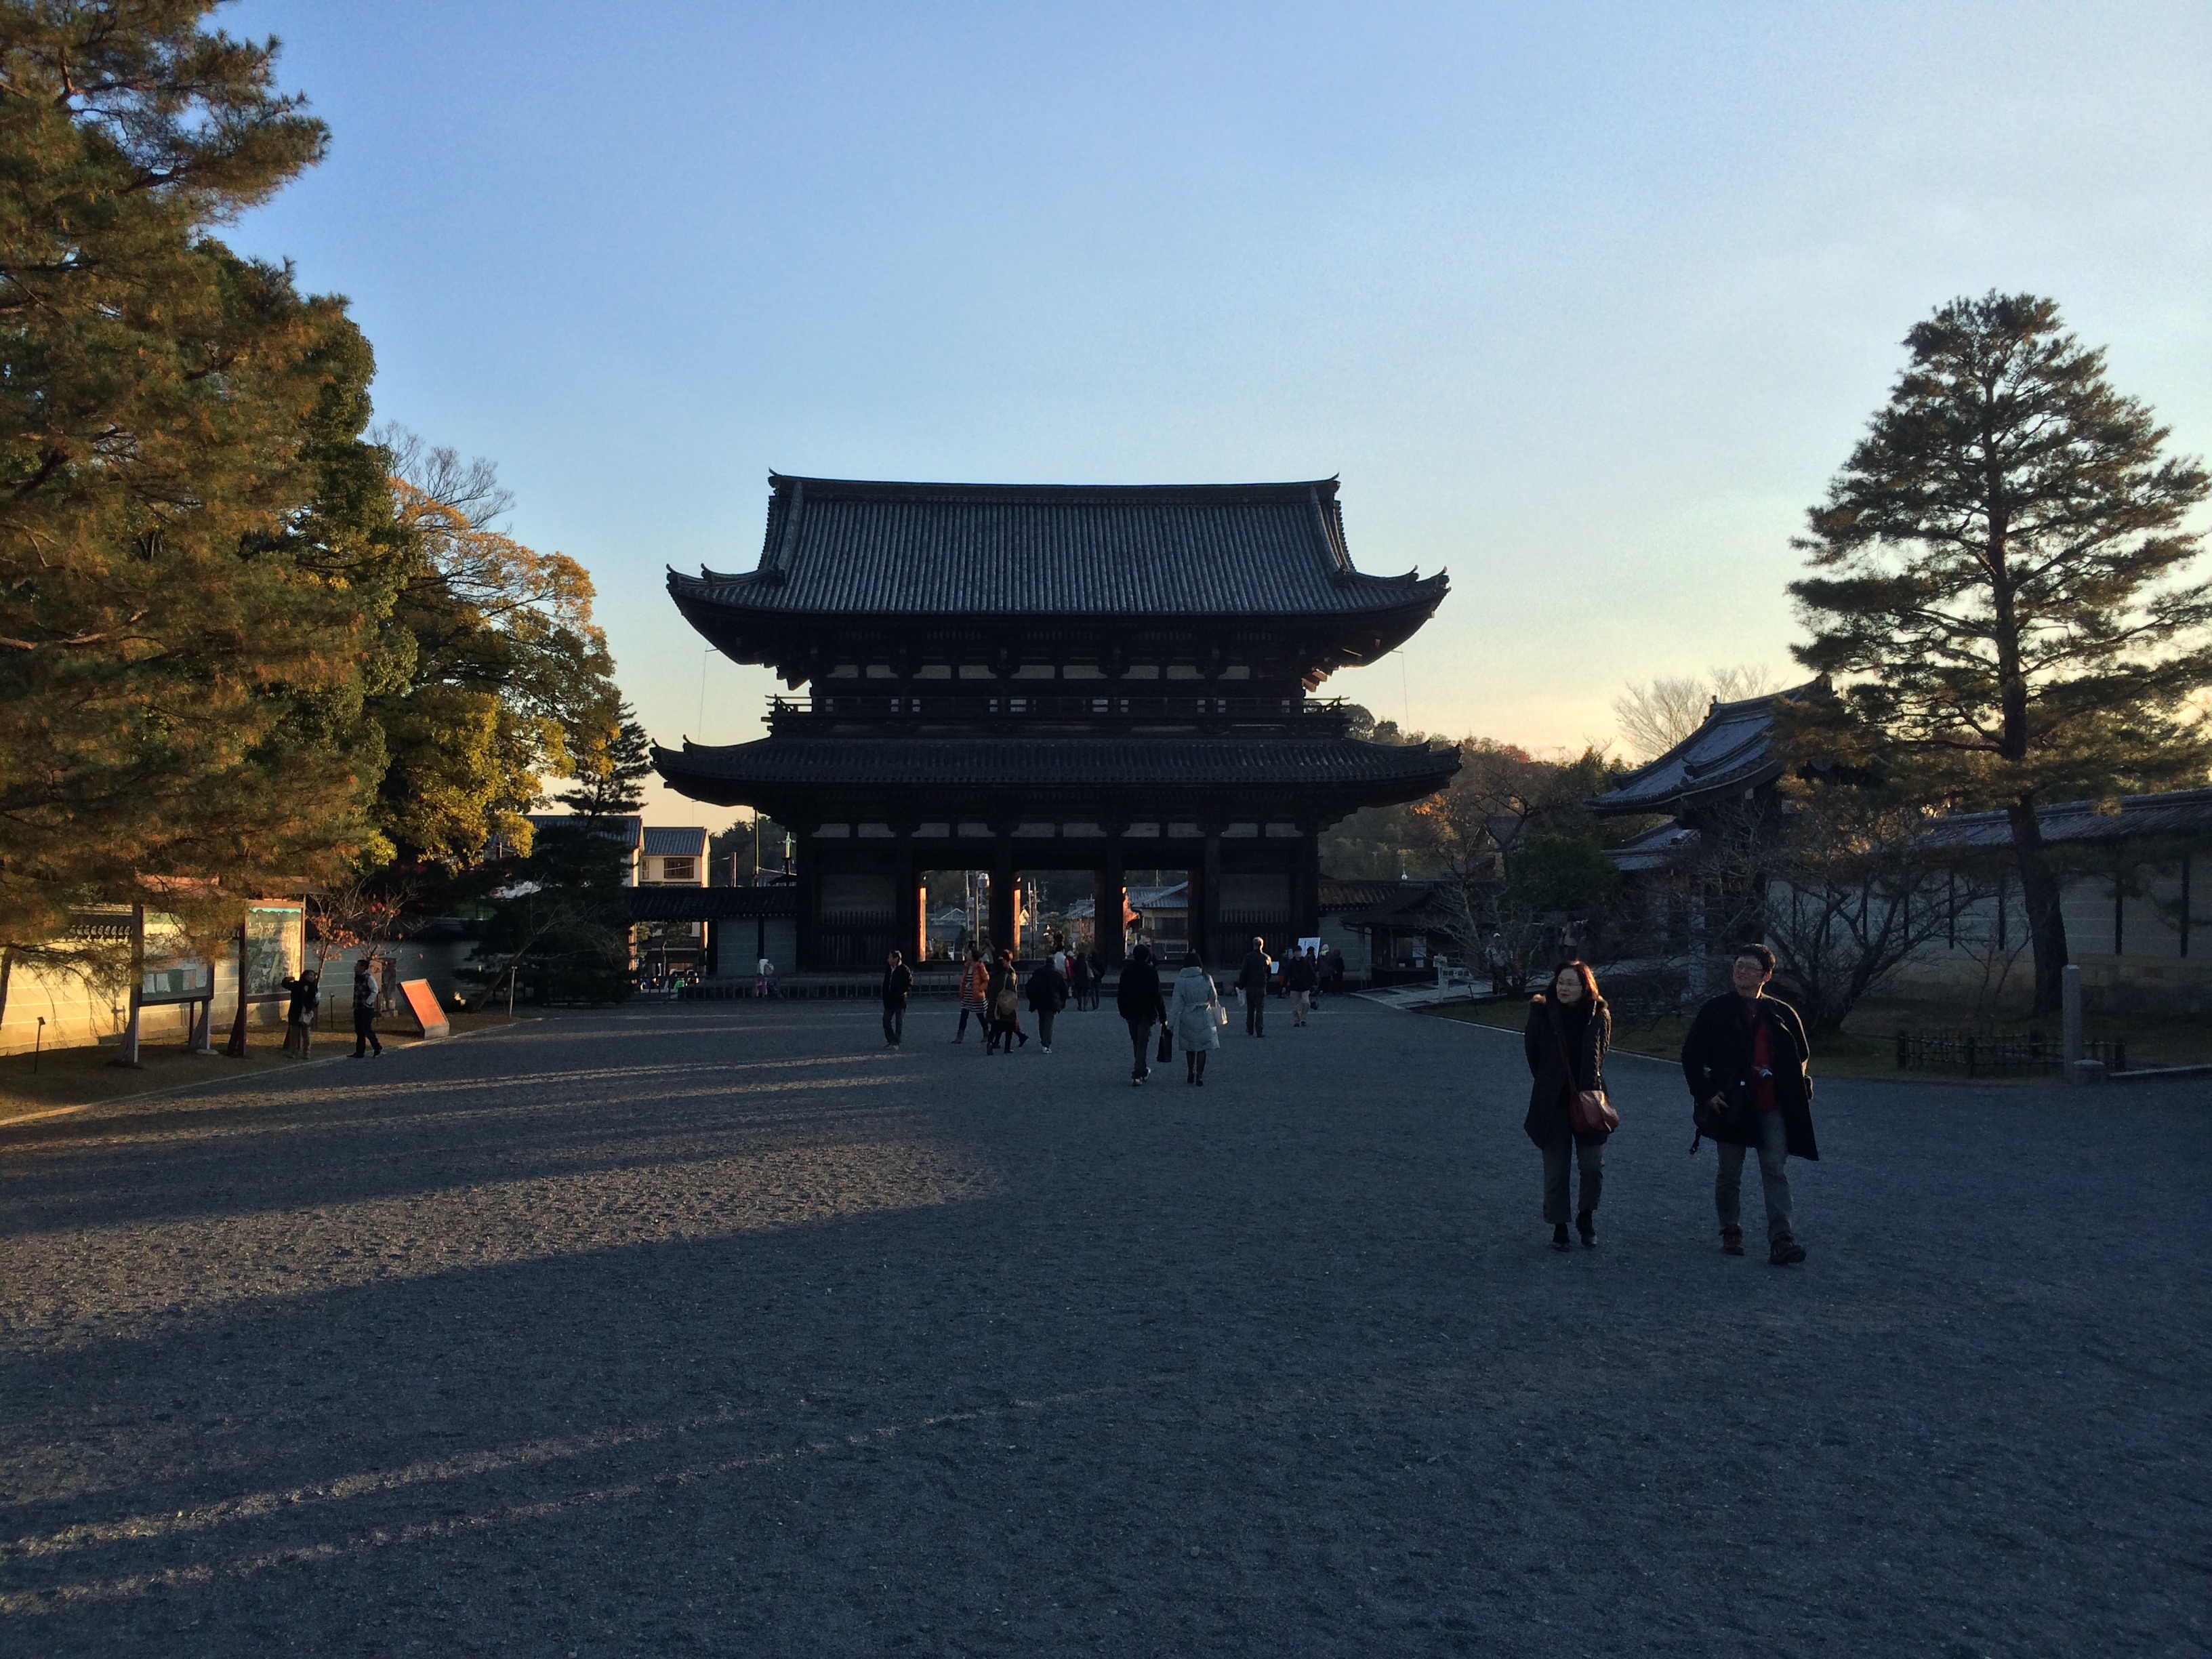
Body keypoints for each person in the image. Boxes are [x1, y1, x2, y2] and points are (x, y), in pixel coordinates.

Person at [1680, 944, 1817, 1265]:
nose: (1741, 972)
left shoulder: (1782, 1013)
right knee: (1730, 1170)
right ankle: (1730, 1228)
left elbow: (1801, 1055)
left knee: (1775, 1169)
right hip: (1731, 1101)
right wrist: (1705, 1093)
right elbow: (1691, 1055)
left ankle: (1782, 1237)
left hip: (1771, 1102)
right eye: (1738, 966)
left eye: (1750, 968)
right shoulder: (1715, 1010)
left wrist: (1795, 1087)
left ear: (1766, 976)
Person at [1523, 960, 1612, 1250]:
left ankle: (1587, 1216)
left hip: (1590, 1100)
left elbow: (1602, 1052)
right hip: (1552, 1104)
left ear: (1585, 986)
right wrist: (1550, 1082)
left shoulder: (1599, 1014)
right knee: (1556, 1170)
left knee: (1592, 1166)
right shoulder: (1541, 1013)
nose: (1564, 988)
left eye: (1571, 983)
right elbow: (1533, 1054)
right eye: (1561, 982)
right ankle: (1559, 1225)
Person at [1168, 949, 1224, 1084]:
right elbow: (1213, 997)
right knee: (1202, 1047)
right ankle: (1200, 1075)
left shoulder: (1180, 980)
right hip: (1204, 1013)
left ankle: (1190, 1072)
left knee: (1190, 1046)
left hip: (1188, 1014)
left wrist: (1171, 1024)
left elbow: (1176, 1004)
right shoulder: (1206, 978)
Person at [1115, 942, 1168, 1085]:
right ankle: (1137, 1073)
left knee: (1136, 1041)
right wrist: (1163, 1016)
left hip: (1130, 1012)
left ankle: (1141, 1069)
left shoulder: (1127, 972)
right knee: (1142, 1042)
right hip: (1146, 1012)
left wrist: (1122, 1010)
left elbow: (1121, 993)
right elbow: (1157, 996)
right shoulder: (1151, 973)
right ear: (1147, 957)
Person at [985, 949, 1027, 1053]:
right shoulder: (1007, 977)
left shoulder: (992, 977)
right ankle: (1007, 1048)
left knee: (994, 1027)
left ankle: (990, 1043)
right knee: (1009, 1026)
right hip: (1005, 1004)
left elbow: (988, 990)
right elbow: (1011, 991)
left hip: (993, 1004)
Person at [1025, 954, 1069, 1052]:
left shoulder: (1038, 973)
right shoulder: (1057, 975)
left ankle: (1043, 1040)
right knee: (1049, 1022)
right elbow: (1064, 989)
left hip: (1039, 1000)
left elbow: (1030, 986)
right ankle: (1046, 1043)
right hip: (1052, 1000)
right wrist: (1062, 1000)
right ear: (1054, 963)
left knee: (1042, 1021)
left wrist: (1032, 998)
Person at [281, 969, 320, 1058]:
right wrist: (288, 979)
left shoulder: (313, 988)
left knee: (306, 1034)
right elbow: (285, 984)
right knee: (294, 1034)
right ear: (305, 976)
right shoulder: (297, 985)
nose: (312, 977)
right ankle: (293, 1052)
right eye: (310, 975)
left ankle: (307, 1052)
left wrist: (316, 1002)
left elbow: (315, 1001)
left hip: (307, 1012)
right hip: (296, 1011)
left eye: (313, 976)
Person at [1237, 937, 1271, 1037]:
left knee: (1250, 1008)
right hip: (1261, 986)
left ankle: (1250, 1028)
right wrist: (1266, 982)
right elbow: (1269, 973)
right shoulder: (1266, 958)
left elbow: (1244, 972)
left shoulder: (1248, 957)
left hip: (1250, 985)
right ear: (1262, 945)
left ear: (1253, 945)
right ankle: (1259, 1030)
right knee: (1260, 1009)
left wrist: (1241, 985)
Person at [350, 960, 383, 1059]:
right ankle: (360, 1051)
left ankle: (377, 1046)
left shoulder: (369, 978)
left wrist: (368, 1002)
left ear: (363, 968)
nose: (355, 967)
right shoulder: (357, 978)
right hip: (358, 1007)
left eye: (357, 965)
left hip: (367, 1009)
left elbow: (375, 990)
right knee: (359, 1030)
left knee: (366, 1029)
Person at [954, 947, 987, 1042]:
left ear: (972, 956)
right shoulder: (967, 966)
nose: (967, 955)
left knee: (980, 1015)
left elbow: (986, 979)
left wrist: (980, 988)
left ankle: (986, 1033)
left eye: (968, 953)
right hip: (967, 995)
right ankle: (959, 1037)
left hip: (977, 995)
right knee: (964, 1015)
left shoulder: (980, 966)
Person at [880, 949, 912, 1047]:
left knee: (899, 1022)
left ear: (896, 959)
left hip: (900, 1000)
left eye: (890, 957)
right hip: (889, 1000)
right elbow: (886, 983)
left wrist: (899, 993)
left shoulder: (904, 970)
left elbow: (908, 984)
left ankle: (897, 1041)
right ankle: (891, 1039)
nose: (888, 959)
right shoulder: (889, 969)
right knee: (886, 1020)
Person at [1284, 946, 1316, 1027]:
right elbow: (1287, 974)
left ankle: (1303, 1018)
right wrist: (1284, 985)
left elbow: (1312, 972)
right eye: (1297, 952)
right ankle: (1297, 1020)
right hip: (1294, 986)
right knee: (1295, 1006)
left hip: (1305, 986)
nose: (1298, 953)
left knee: (1306, 1002)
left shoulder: (1306, 961)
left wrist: (1312, 983)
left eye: (1299, 951)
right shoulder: (1291, 963)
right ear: (1294, 953)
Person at [1067, 947, 1092, 1013]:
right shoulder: (1086, 963)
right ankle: (1085, 1007)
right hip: (1086, 980)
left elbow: (1073, 969)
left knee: (1079, 994)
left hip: (1078, 980)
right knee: (1086, 994)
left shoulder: (1076, 963)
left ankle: (1080, 1005)